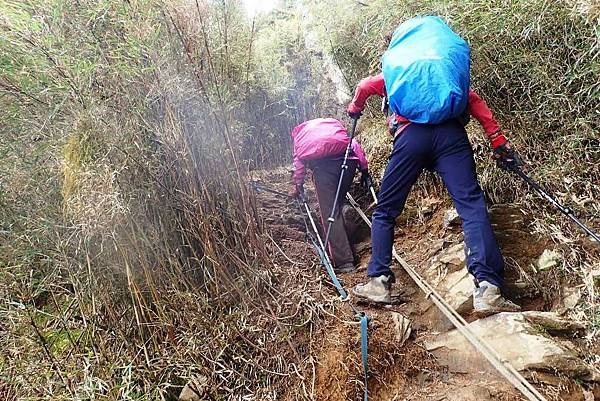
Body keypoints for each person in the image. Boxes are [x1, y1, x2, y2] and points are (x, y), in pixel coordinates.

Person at [347, 72, 523, 315]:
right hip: (451, 136)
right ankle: (488, 288)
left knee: (385, 210)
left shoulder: (399, 71)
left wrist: (355, 108)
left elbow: (364, 85)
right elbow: (474, 100)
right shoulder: (445, 71)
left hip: (411, 137)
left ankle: (379, 282)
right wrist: (497, 139)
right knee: (471, 206)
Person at [290, 118, 371, 273]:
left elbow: (299, 166)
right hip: (348, 164)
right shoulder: (333, 126)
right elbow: (353, 144)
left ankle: (344, 262)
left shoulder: (300, 136)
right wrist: (364, 170)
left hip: (324, 170)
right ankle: (344, 208)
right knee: (338, 198)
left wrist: (297, 186)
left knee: (329, 213)